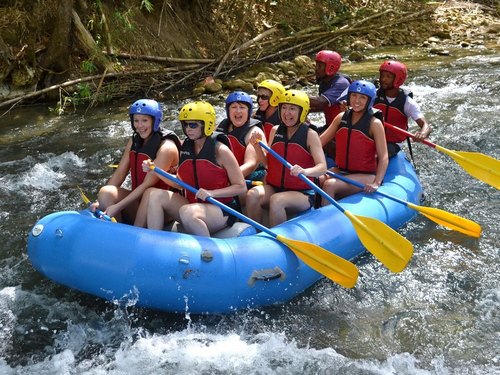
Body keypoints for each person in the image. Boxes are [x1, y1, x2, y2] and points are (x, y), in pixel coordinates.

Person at [144, 101, 247, 237]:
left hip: (221, 209)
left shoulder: (221, 151)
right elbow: (180, 184)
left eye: (193, 125)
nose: (188, 129)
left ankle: (208, 251)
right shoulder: (186, 149)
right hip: (193, 205)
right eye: (185, 124)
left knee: (188, 211)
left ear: (206, 124)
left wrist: (212, 193)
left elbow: (241, 187)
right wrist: (156, 170)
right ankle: (154, 243)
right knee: (154, 195)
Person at [92, 99, 180, 226]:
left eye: (145, 120)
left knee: (148, 195)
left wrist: (118, 206)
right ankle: (116, 233)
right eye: (136, 120)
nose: (140, 126)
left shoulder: (166, 148)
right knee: (106, 192)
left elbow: (146, 185)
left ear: (155, 121)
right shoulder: (134, 141)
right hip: (137, 200)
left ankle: (135, 235)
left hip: (157, 207)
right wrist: (100, 201)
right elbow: (119, 174)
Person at [246, 90, 327, 227]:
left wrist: (305, 171)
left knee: (277, 200)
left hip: (302, 193)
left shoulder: (310, 134)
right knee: (252, 195)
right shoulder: (275, 130)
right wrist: (256, 147)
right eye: (284, 108)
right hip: (275, 187)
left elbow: (322, 167)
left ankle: (278, 241)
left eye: (292, 109)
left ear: (302, 112)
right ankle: (257, 235)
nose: (287, 113)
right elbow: (267, 164)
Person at [320, 80, 388, 203]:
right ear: (349, 96)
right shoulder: (341, 118)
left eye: (362, 97)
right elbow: (319, 143)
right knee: (316, 179)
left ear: (369, 101)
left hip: (365, 176)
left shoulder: (374, 124)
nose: (357, 101)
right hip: (341, 170)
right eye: (354, 95)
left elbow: (383, 157)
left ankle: (325, 219)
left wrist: (377, 182)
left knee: (329, 185)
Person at [374, 60, 432, 157]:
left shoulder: (407, 102)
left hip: (392, 143)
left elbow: (426, 126)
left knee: (377, 156)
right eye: (382, 75)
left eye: (388, 77)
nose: (383, 79)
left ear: (398, 80)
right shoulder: (372, 95)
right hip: (371, 138)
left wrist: (422, 134)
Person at [308, 50, 351, 162]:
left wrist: (293, 97)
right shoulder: (324, 82)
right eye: (316, 65)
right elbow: (324, 107)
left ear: (330, 67)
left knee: (315, 140)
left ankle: (339, 163)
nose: (316, 68)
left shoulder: (341, 83)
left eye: (320, 65)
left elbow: (321, 102)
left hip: (343, 130)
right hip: (330, 127)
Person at [216, 91, 266, 184]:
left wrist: (226, 178)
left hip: (251, 176)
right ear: (228, 111)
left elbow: (250, 164)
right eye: (233, 107)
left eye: (242, 107)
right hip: (229, 174)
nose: (238, 111)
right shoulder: (223, 125)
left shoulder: (254, 132)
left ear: (248, 111)